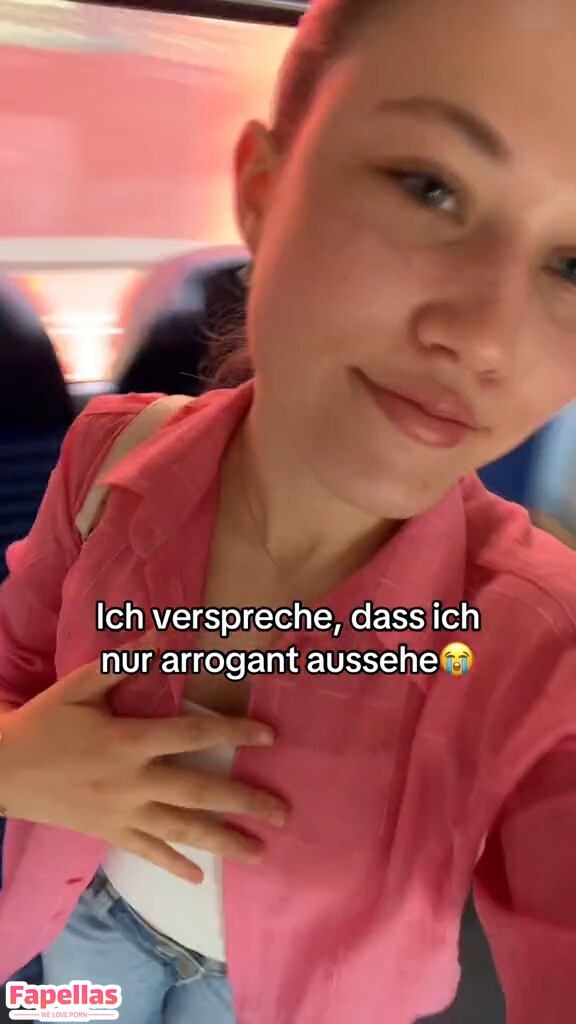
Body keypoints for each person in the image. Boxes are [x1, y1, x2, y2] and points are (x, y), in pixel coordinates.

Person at [1, 0, 576, 1021]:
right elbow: (16, 663)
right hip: (85, 916)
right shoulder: (107, 457)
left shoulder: (536, 636)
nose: (485, 338)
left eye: (574, 267)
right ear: (265, 191)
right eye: (430, 186)